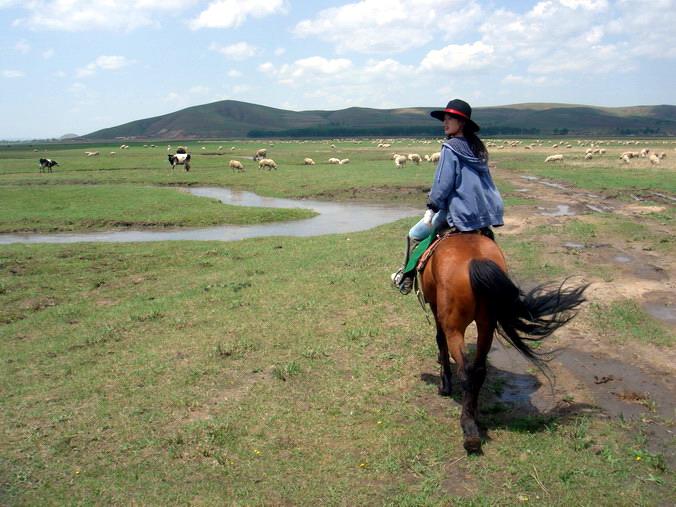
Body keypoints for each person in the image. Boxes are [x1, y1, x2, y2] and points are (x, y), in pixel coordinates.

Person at [391, 98, 504, 295]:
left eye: (450, 119)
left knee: (414, 235)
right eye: (444, 119)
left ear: (462, 123)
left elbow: (442, 184)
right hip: (482, 213)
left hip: (460, 211)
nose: (445, 123)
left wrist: (432, 207)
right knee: (489, 242)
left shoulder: (450, 148)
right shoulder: (477, 149)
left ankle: (405, 279)